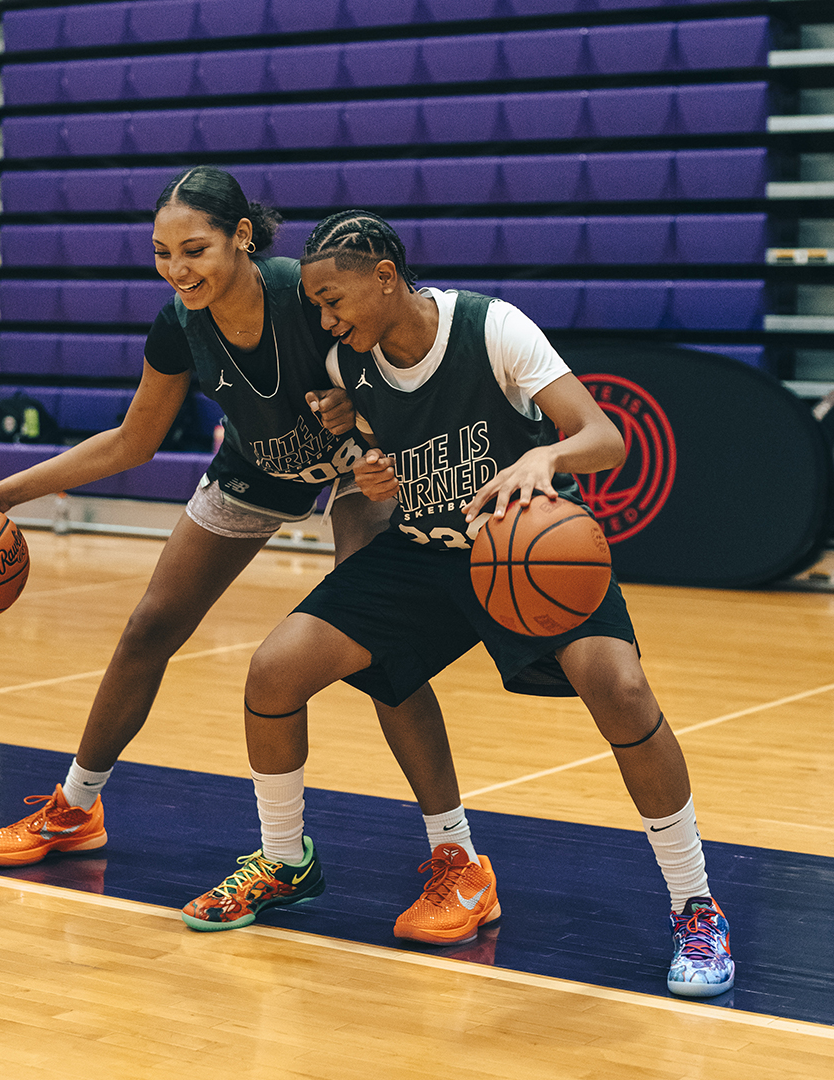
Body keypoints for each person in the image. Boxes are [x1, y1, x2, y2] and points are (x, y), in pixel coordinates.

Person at [181, 210, 735, 1000]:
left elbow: (605, 438)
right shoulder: (347, 365)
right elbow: (382, 456)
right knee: (274, 671)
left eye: (333, 301)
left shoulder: (491, 328)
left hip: (524, 547)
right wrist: (372, 472)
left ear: (385, 278)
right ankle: (292, 861)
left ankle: (696, 907)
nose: (326, 321)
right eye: (317, 307)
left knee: (620, 687)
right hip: (421, 552)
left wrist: (547, 455)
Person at [0, 170, 462, 885]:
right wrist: (8, 493)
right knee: (149, 626)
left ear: (241, 237)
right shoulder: (180, 325)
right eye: (162, 253)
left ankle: (454, 850)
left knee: (380, 644)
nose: (177, 270)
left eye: (194, 250)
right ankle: (75, 808)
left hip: (358, 464)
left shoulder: (306, 294)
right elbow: (133, 441)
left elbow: (407, 376)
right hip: (258, 466)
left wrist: (362, 412)